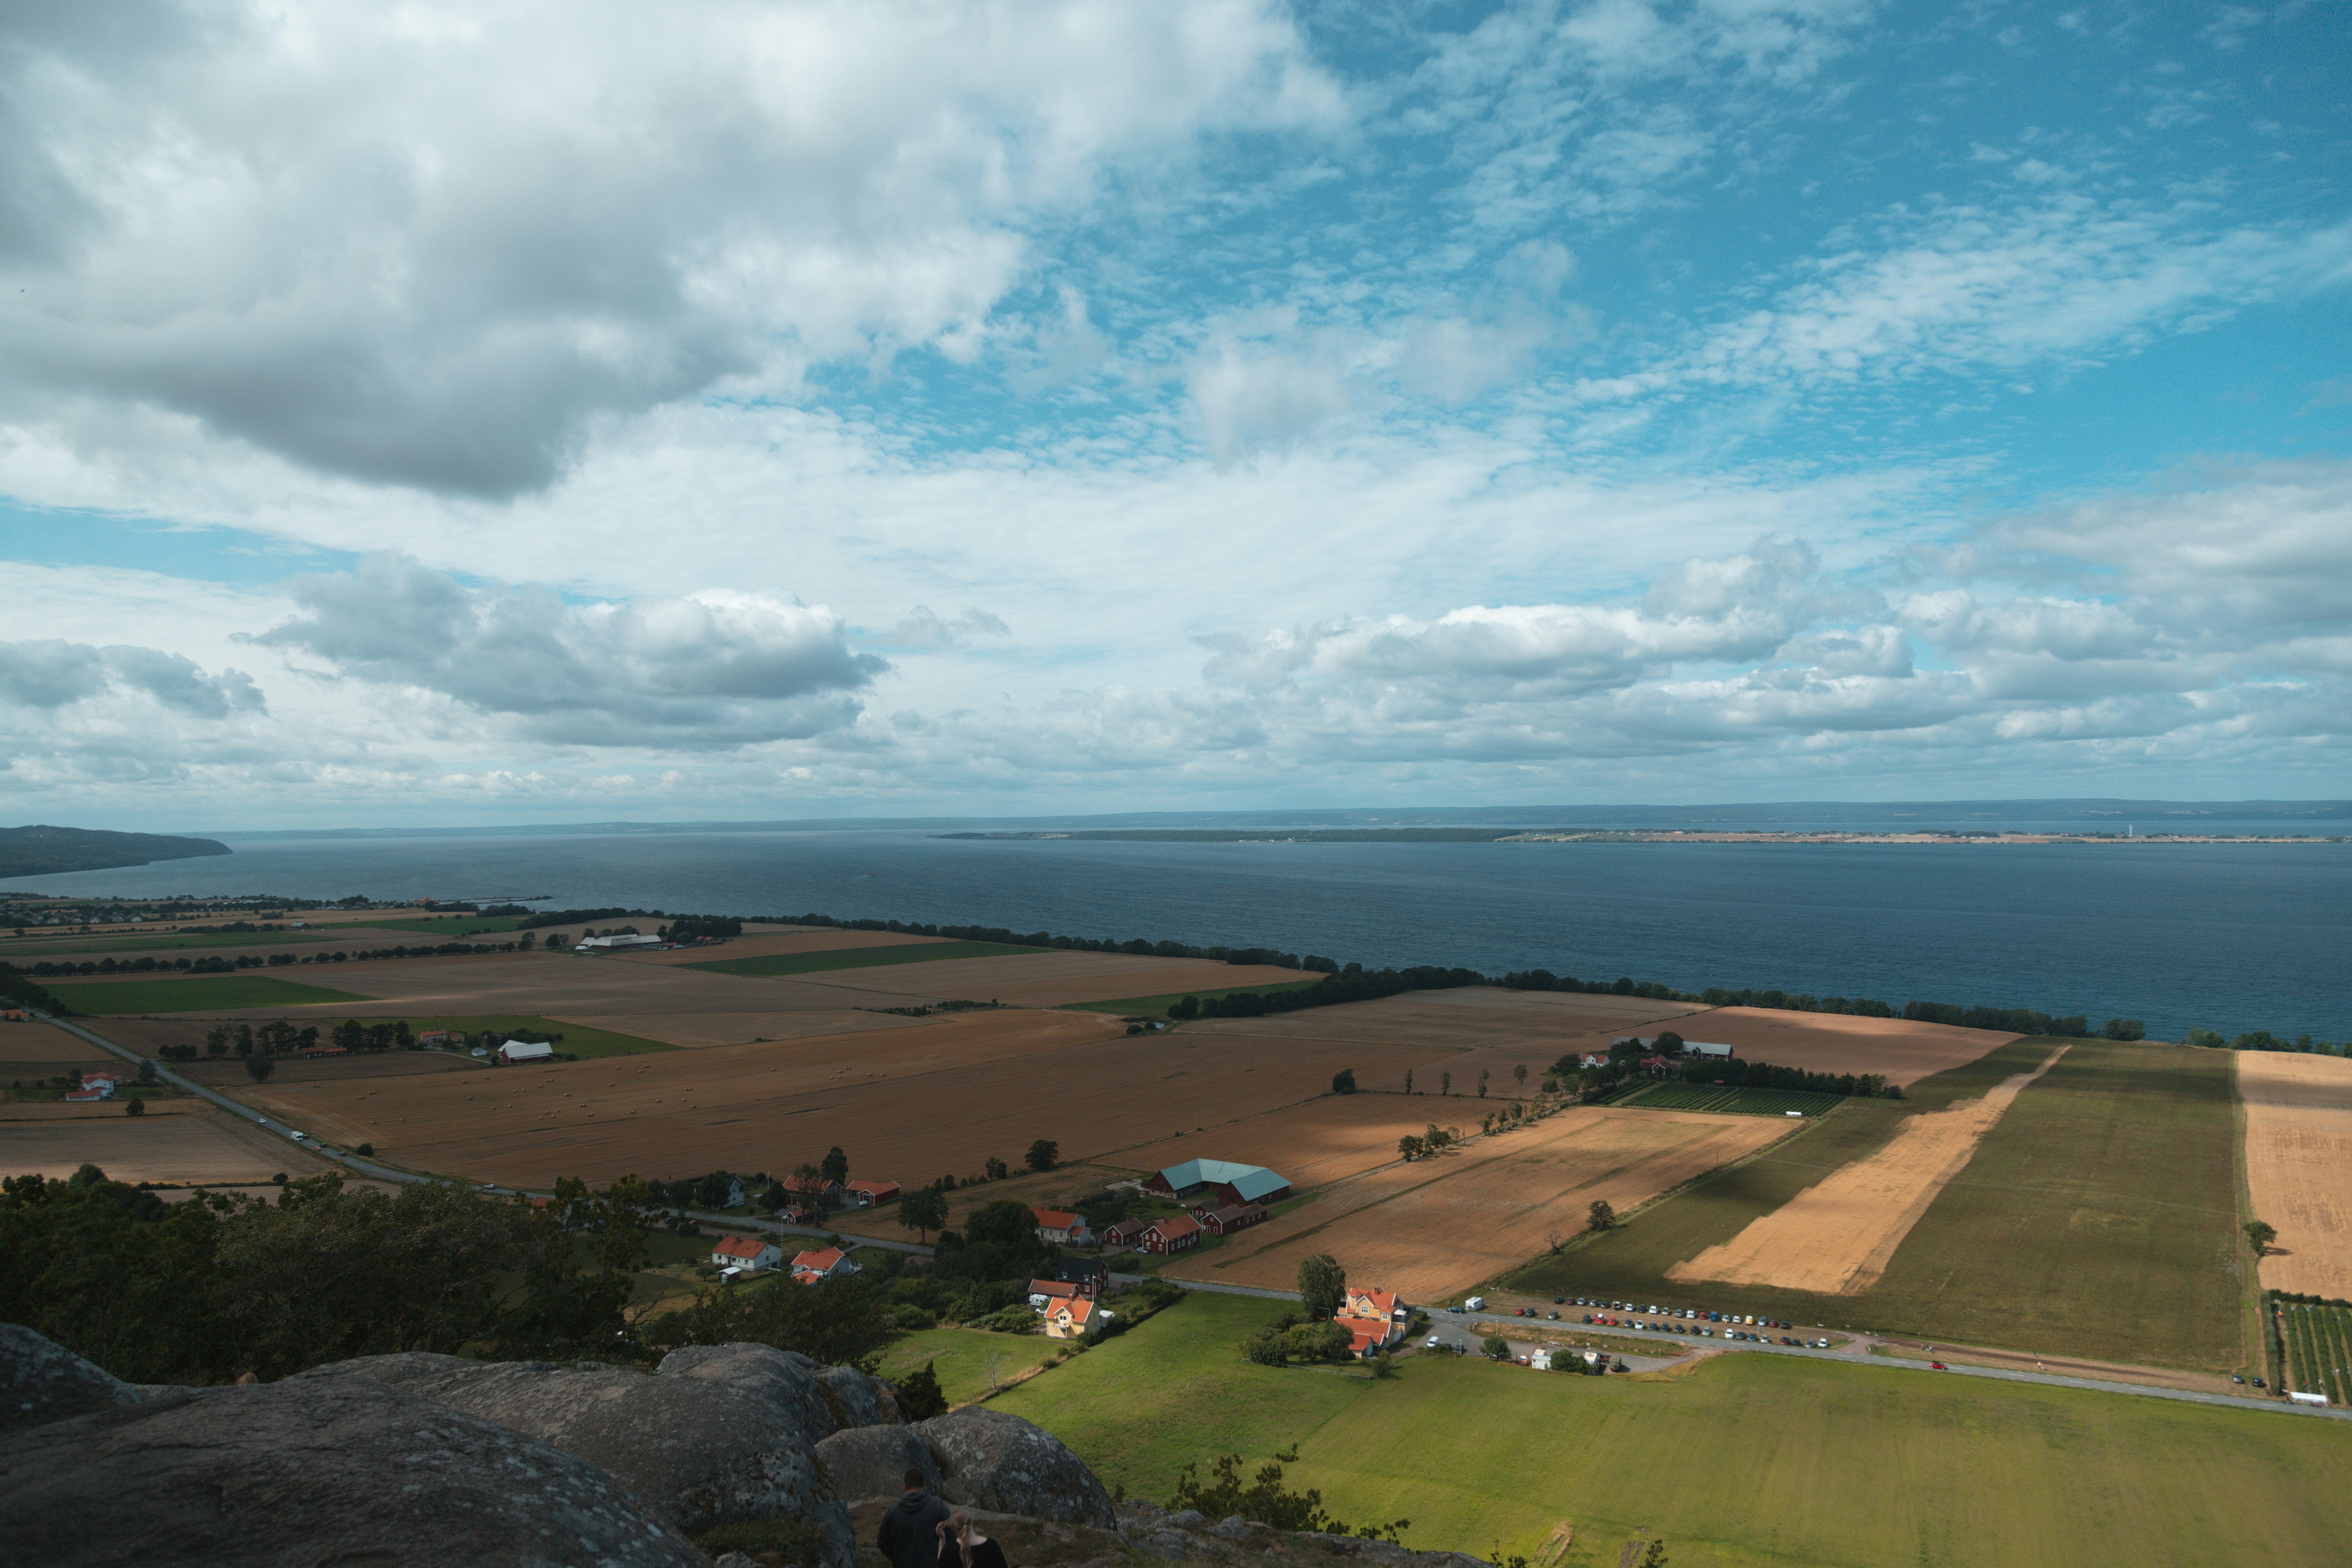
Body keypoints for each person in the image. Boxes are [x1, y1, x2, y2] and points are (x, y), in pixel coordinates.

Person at [878, 1468, 950, 1568]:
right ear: (924, 1485)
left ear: (905, 1487)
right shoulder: (938, 1507)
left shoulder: (892, 1512)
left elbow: (883, 1543)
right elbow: (953, 1536)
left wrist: (898, 1559)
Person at [936, 1508, 1009, 1568]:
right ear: (972, 1521)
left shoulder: (949, 1550)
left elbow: (940, 1565)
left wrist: (942, 1540)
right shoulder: (992, 1546)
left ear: (954, 1528)